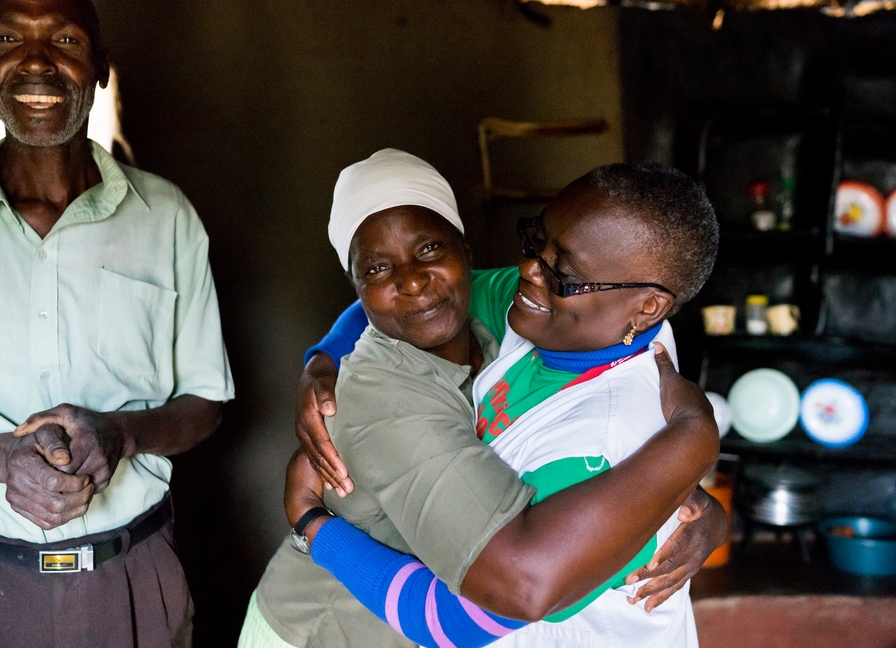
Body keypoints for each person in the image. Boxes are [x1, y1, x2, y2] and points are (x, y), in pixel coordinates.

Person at [239, 150, 722, 647]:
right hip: (324, 630)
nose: (527, 271)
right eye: (535, 243)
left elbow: (484, 605)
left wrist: (690, 464)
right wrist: (322, 361)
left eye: (429, 250)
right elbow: (396, 300)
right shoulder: (539, 314)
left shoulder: (590, 410)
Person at [0, 0, 233, 646]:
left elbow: (206, 403)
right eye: (7, 39)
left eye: (64, 39)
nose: (35, 61)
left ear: (101, 64)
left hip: (133, 579)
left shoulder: (166, 217)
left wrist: (120, 433)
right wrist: (1, 459)